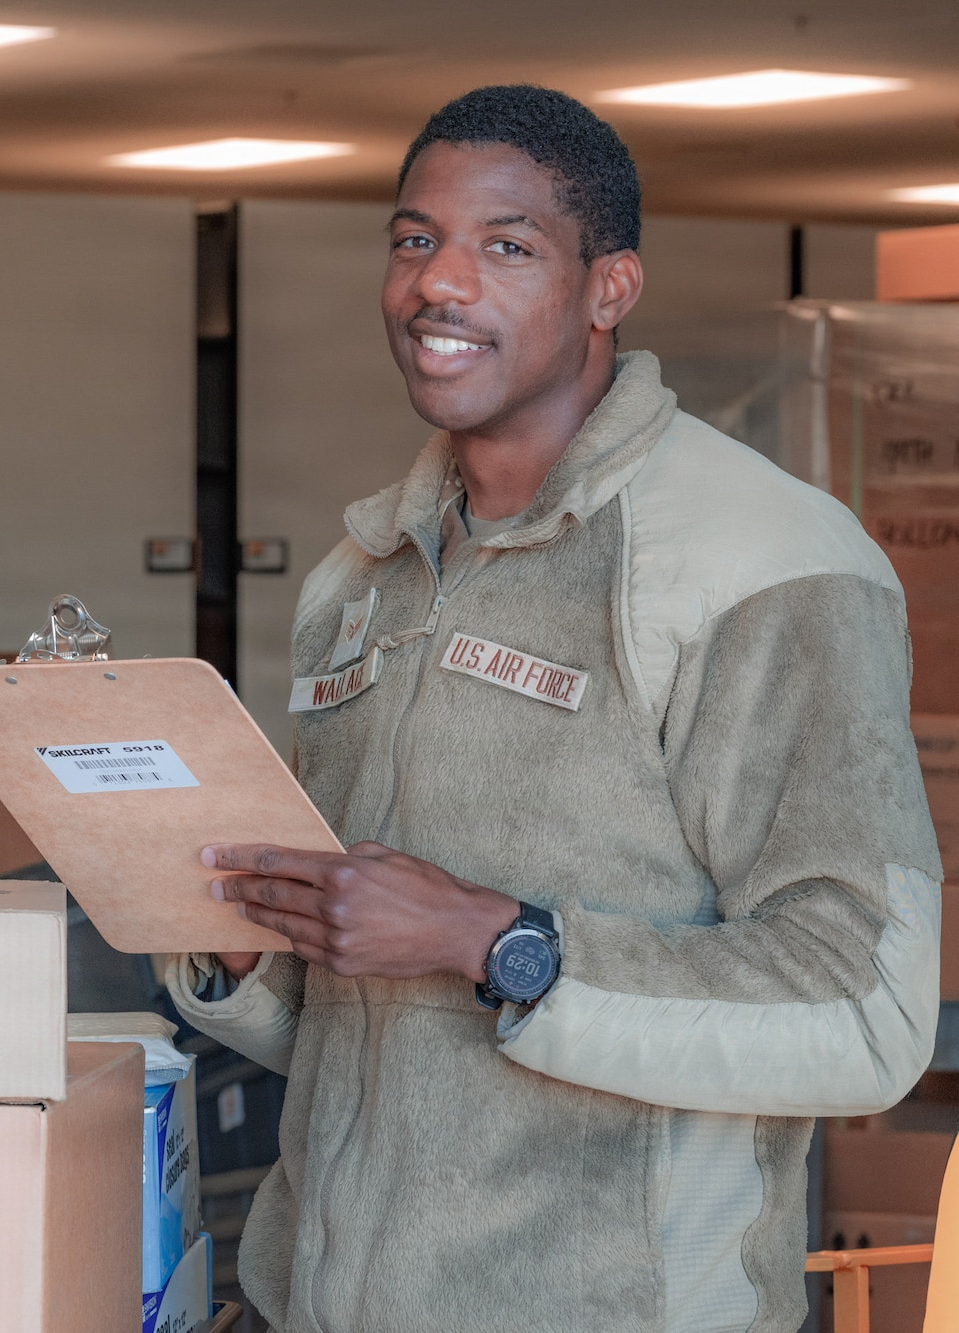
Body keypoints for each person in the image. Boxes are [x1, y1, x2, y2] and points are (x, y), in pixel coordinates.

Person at [169, 85, 939, 1332]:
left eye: (506, 246)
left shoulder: (762, 563)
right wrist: (246, 960)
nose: (438, 283)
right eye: (413, 240)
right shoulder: (358, 577)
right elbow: (357, 1019)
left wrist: (498, 939)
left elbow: (863, 1014)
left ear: (607, 289)